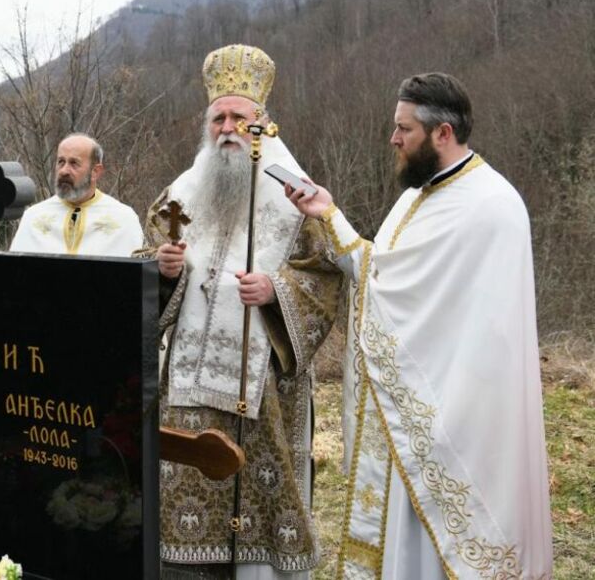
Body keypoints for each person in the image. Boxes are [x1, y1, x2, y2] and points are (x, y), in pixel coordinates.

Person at [286, 73, 552, 578]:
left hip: (459, 410)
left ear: (442, 133)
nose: (393, 139)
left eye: (403, 129)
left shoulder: (491, 206)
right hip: (413, 400)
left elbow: (445, 311)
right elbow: (382, 271)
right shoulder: (417, 195)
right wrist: (326, 212)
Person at [147, 44, 342, 579]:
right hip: (182, 395)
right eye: (219, 117)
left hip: (260, 399)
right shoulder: (178, 195)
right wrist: (161, 272)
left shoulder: (297, 196)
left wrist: (277, 290)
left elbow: (326, 276)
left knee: (254, 519)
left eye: (240, 117)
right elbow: (143, 264)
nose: (228, 127)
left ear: (265, 125)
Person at [9, 133, 143, 256]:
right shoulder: (33, 217)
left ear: (95, 171)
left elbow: (138, 275)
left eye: (74, 163)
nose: (64, 171)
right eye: (61, 162)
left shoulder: (123, 218)